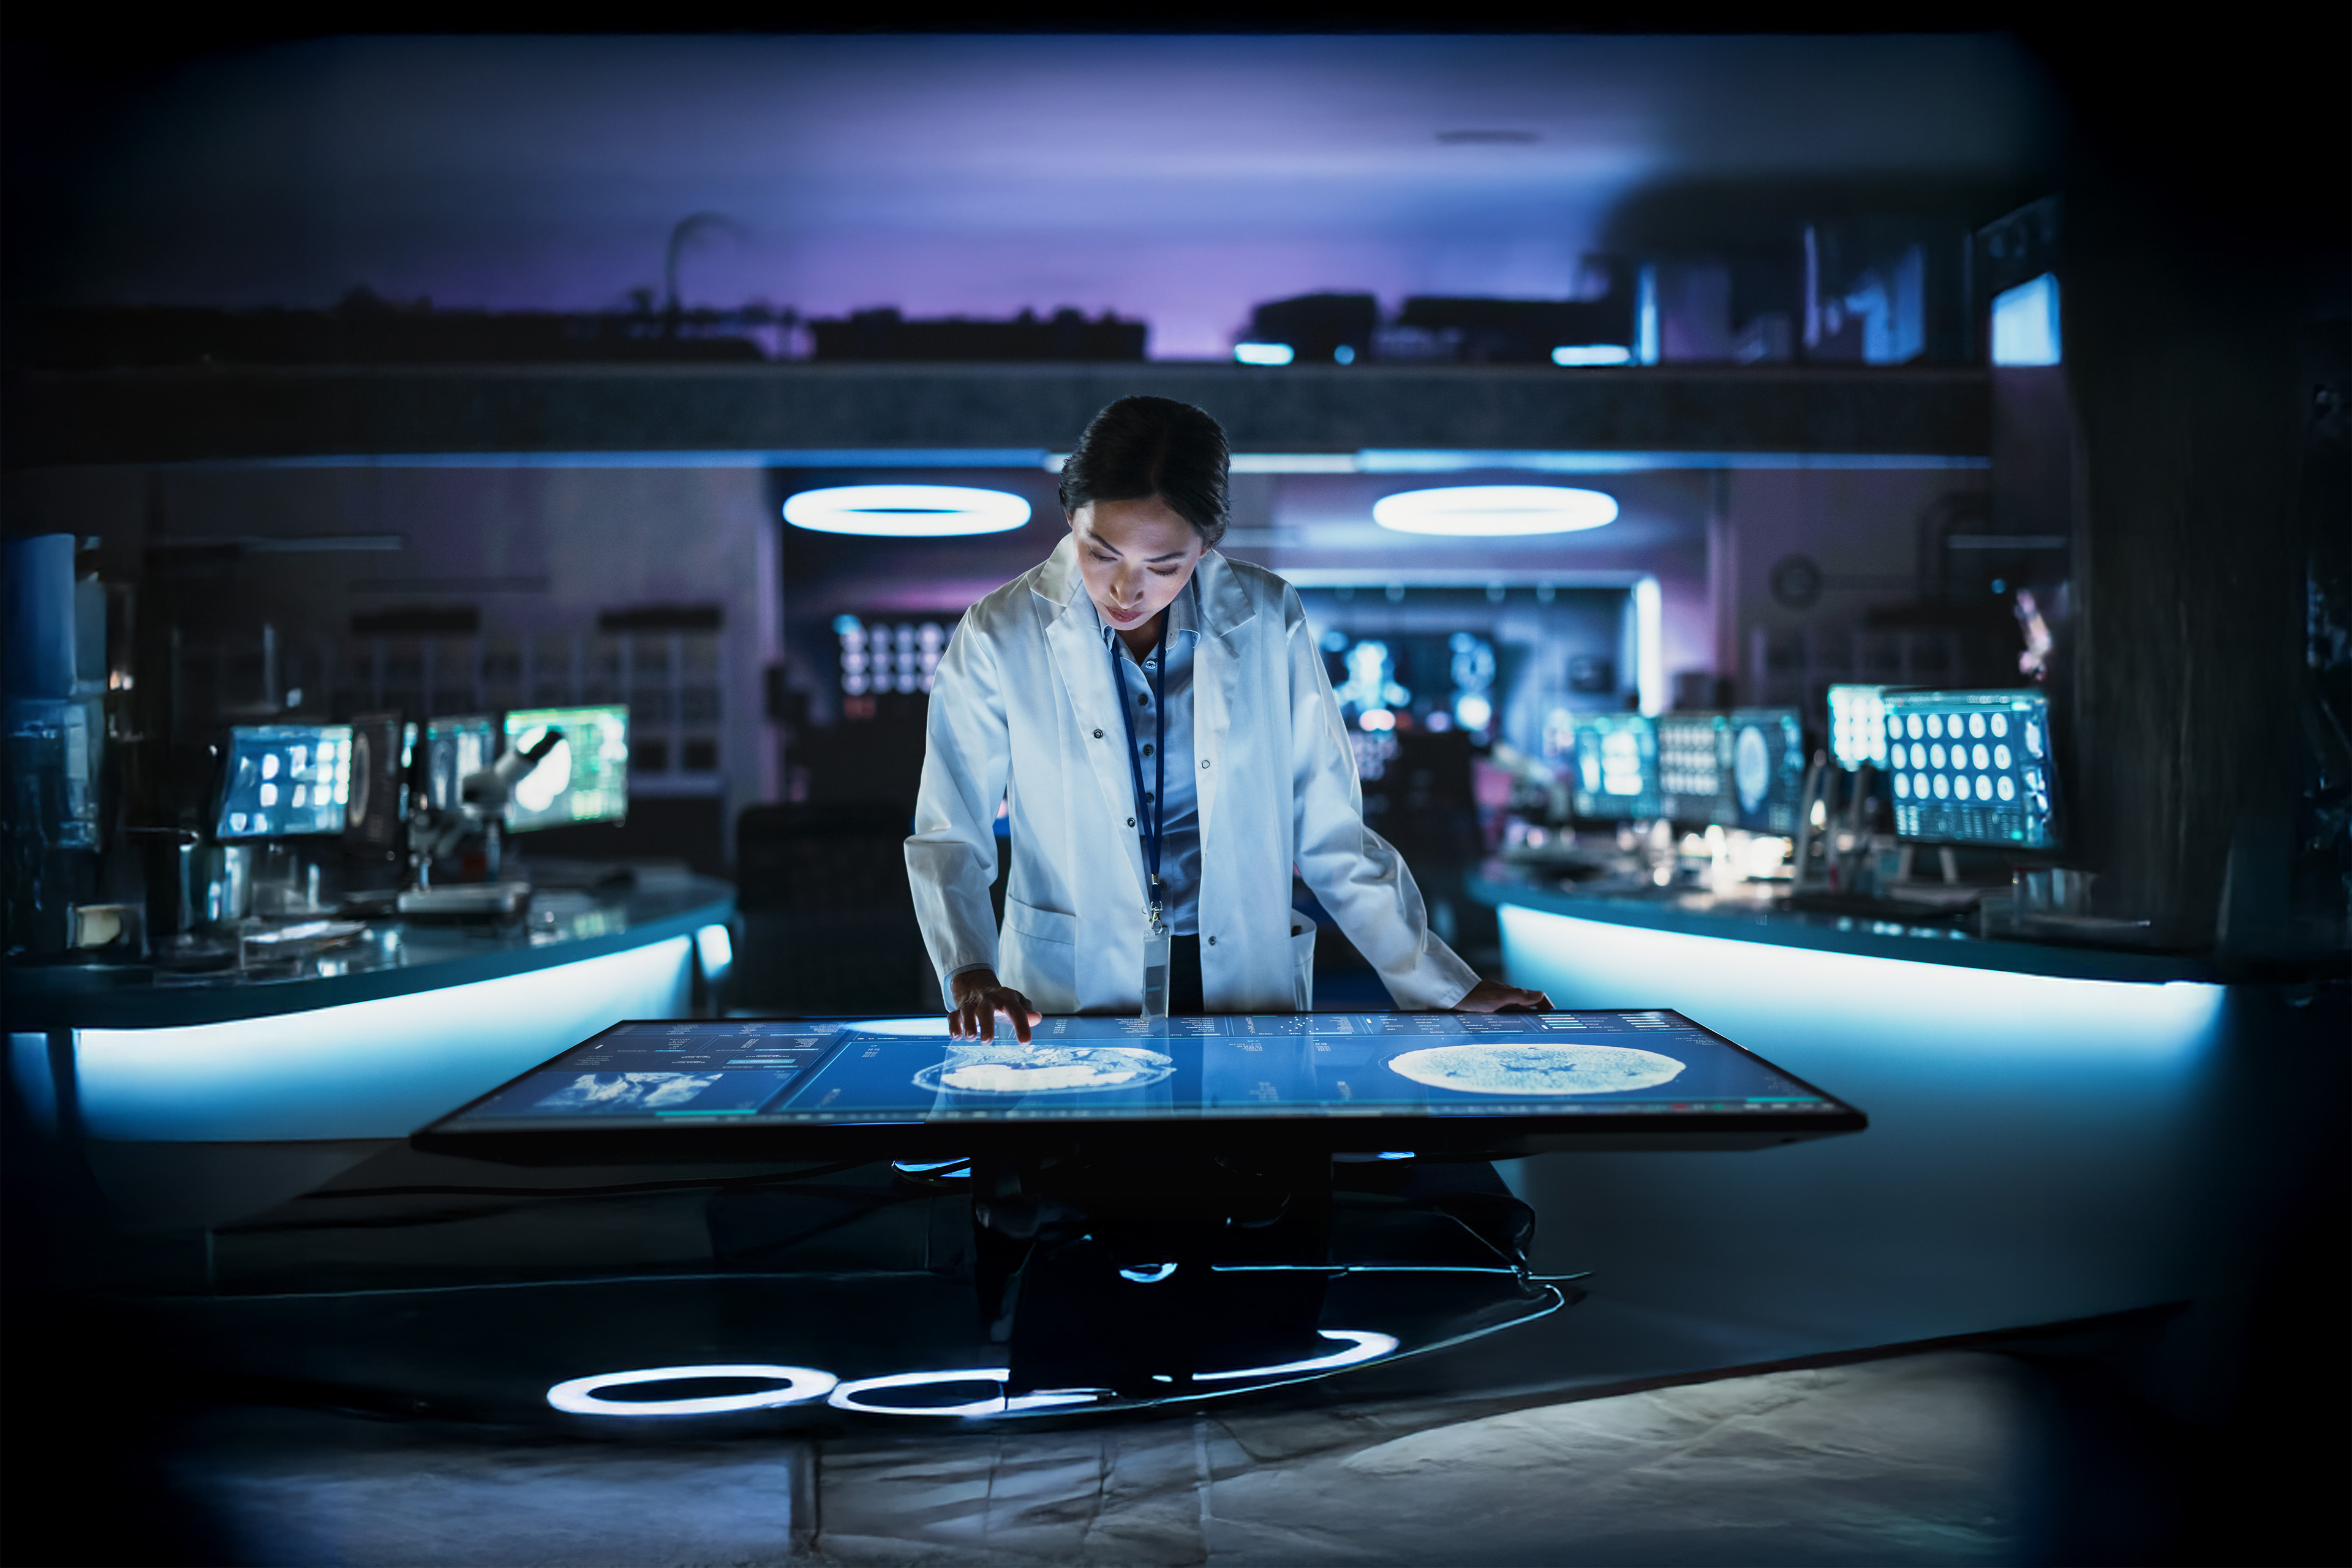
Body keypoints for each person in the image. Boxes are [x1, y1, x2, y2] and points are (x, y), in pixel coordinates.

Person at [906, 395, 1551, 1040]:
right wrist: (968, 967)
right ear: (1071, 515)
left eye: (1164, 566)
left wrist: (1446, 984)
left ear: (1207, 545)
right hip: (1066, 981)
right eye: (1100, 552)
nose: (1127, 591)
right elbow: (952, 829)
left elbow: (1330, 832)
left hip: (1241, 973)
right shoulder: (1000, 632)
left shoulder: (1269, 619)